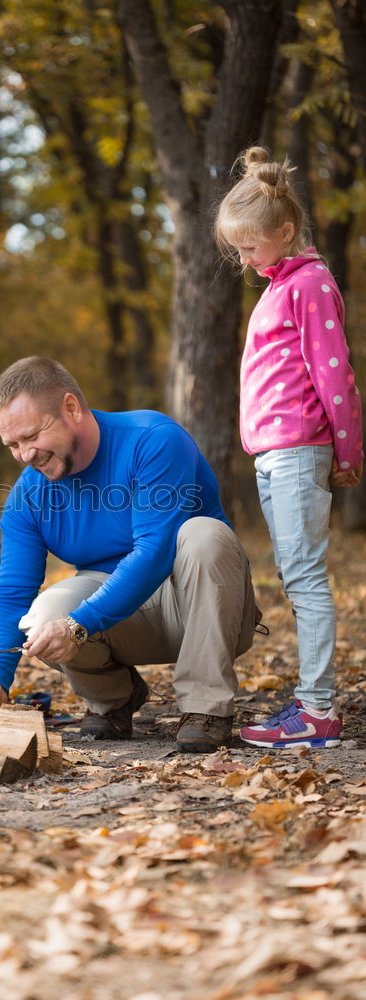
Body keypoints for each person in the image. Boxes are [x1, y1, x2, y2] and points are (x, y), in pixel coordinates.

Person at [0, 356, 260, 754]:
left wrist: (78, 625)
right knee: (39, 615)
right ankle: (113, 698)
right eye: (12, 444)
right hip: (121, 618)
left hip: (195, 603)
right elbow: (10, 592)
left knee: (204, 534)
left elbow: (155, 551)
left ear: (71, 408)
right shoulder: (28, 494)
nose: (23, 455)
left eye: (31, 436)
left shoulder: (152, 438)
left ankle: (206, 708)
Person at [214, 146, 363, 749]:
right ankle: (311, 700)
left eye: (251, 246)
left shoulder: (312, 284)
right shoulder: (279, 287)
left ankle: (319, 710)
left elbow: (336, 376)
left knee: (304, 578)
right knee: (295, 575)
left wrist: (347, 453)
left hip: (301, 450)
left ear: (284, 231)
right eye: (238, 249)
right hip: (274, 454)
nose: (245, 259)